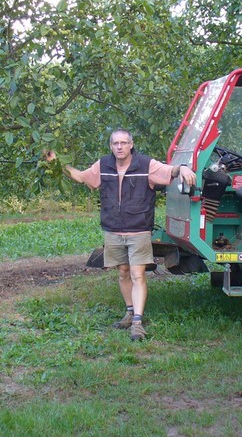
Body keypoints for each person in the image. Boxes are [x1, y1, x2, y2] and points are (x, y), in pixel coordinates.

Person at [47, 129, 196, 341]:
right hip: (113, 230)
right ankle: (129, 312)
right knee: (123, 273)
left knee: (137, 274)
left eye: (124, 143)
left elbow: (169, 171)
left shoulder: (146, 165)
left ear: (131, 144)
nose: (120, 147)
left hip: (139, 230)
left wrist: (182, 168)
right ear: (110, 146)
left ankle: (137, 322)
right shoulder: (103, 165)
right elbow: (81, 177)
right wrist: (56, 163)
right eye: (115, 143)